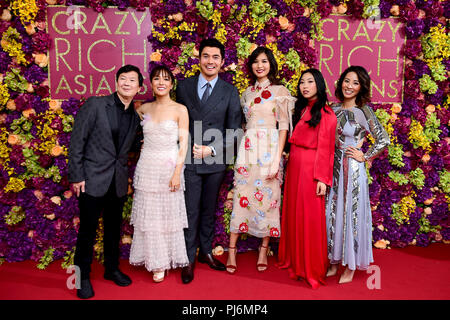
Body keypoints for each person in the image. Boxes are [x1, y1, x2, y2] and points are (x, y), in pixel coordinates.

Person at [68, 65, 144, 299]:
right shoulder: (96, 105)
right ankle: (81, 279)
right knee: (87, 233)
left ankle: (111, 269)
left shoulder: (135, 116)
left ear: (139, 87)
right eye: (123, 79)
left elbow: (128, 148)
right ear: (116, 82)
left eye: (132, 80)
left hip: (118, 182)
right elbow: (77, 141)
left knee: (113, 230)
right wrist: (77, 175)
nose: (127, 83)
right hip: (91, 179)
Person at [176, 38, 242, 284]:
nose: (210, 61)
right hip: (190, 160)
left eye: (215, 57)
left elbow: (235, 130)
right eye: (206, 56)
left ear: (222, 62)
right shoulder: (183, 87)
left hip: (215, 160)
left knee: (208, 210)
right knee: (190, 210)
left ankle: (205, 252)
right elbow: (177, 122)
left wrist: (211, 149)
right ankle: (188, 258)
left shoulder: (229, 91)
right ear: (199, 58)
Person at [226, 47, 296, 274]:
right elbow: (245, 124)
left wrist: (277, 159)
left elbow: (283, 127)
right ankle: (232, 249)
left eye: (264, 61)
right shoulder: (246, 93)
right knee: (242, 196)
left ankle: (264, 249)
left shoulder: (280, 91)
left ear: (271, 64)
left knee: (269, 199)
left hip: (270, 149)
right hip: (248, 150)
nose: (260, 66)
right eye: (256, 62)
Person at [325, 66, 390, 283]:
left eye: (355, 83)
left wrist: (365, 156)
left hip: (352, 168)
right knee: (332, 211)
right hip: (332, 167)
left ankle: (350, 266)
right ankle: (334, 261)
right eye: (346, 80)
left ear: (361, 87)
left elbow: (383, 139)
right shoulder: (332, 109)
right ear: (340, 82)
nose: (349, 86)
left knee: (350, 213)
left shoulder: (363, 111)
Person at [276, 68, 337, 289]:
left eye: (310, 82)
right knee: (294, 212)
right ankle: (293, 260)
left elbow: (326, 149)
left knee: (310, 217)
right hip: (295, 166)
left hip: (312, 169)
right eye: (302, 82)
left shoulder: (326, 113)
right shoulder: (301, 109)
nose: (304, 86)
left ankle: (310, 268)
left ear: (318, 85)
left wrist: (322, 178)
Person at [129, 65, 190, 283]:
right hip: (147, 167)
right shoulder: (143, 109)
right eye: (157, 79)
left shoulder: (180, 110)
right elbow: (131, 133)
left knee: (167, 217)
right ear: (151, 84)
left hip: (169, 166)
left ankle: (164, 261)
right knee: (150, 218)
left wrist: (177, 173)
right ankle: (154, 260)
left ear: (171, 84)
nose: (161, 83)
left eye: (165, 79)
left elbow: (184, 144)